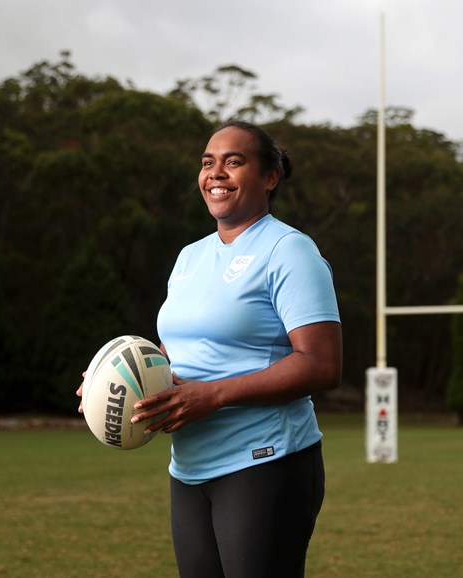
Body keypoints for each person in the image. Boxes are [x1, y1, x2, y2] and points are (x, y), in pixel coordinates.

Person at [78, 120, 342, 577]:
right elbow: (175, 351)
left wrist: (214, 395)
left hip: (264, 462)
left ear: (270, 177)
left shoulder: (289, 251)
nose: (216, 173)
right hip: (190, 469)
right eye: (207, 163)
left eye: (234, 162)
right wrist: (114, 379)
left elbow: (321, 366)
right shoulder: (189, 257)